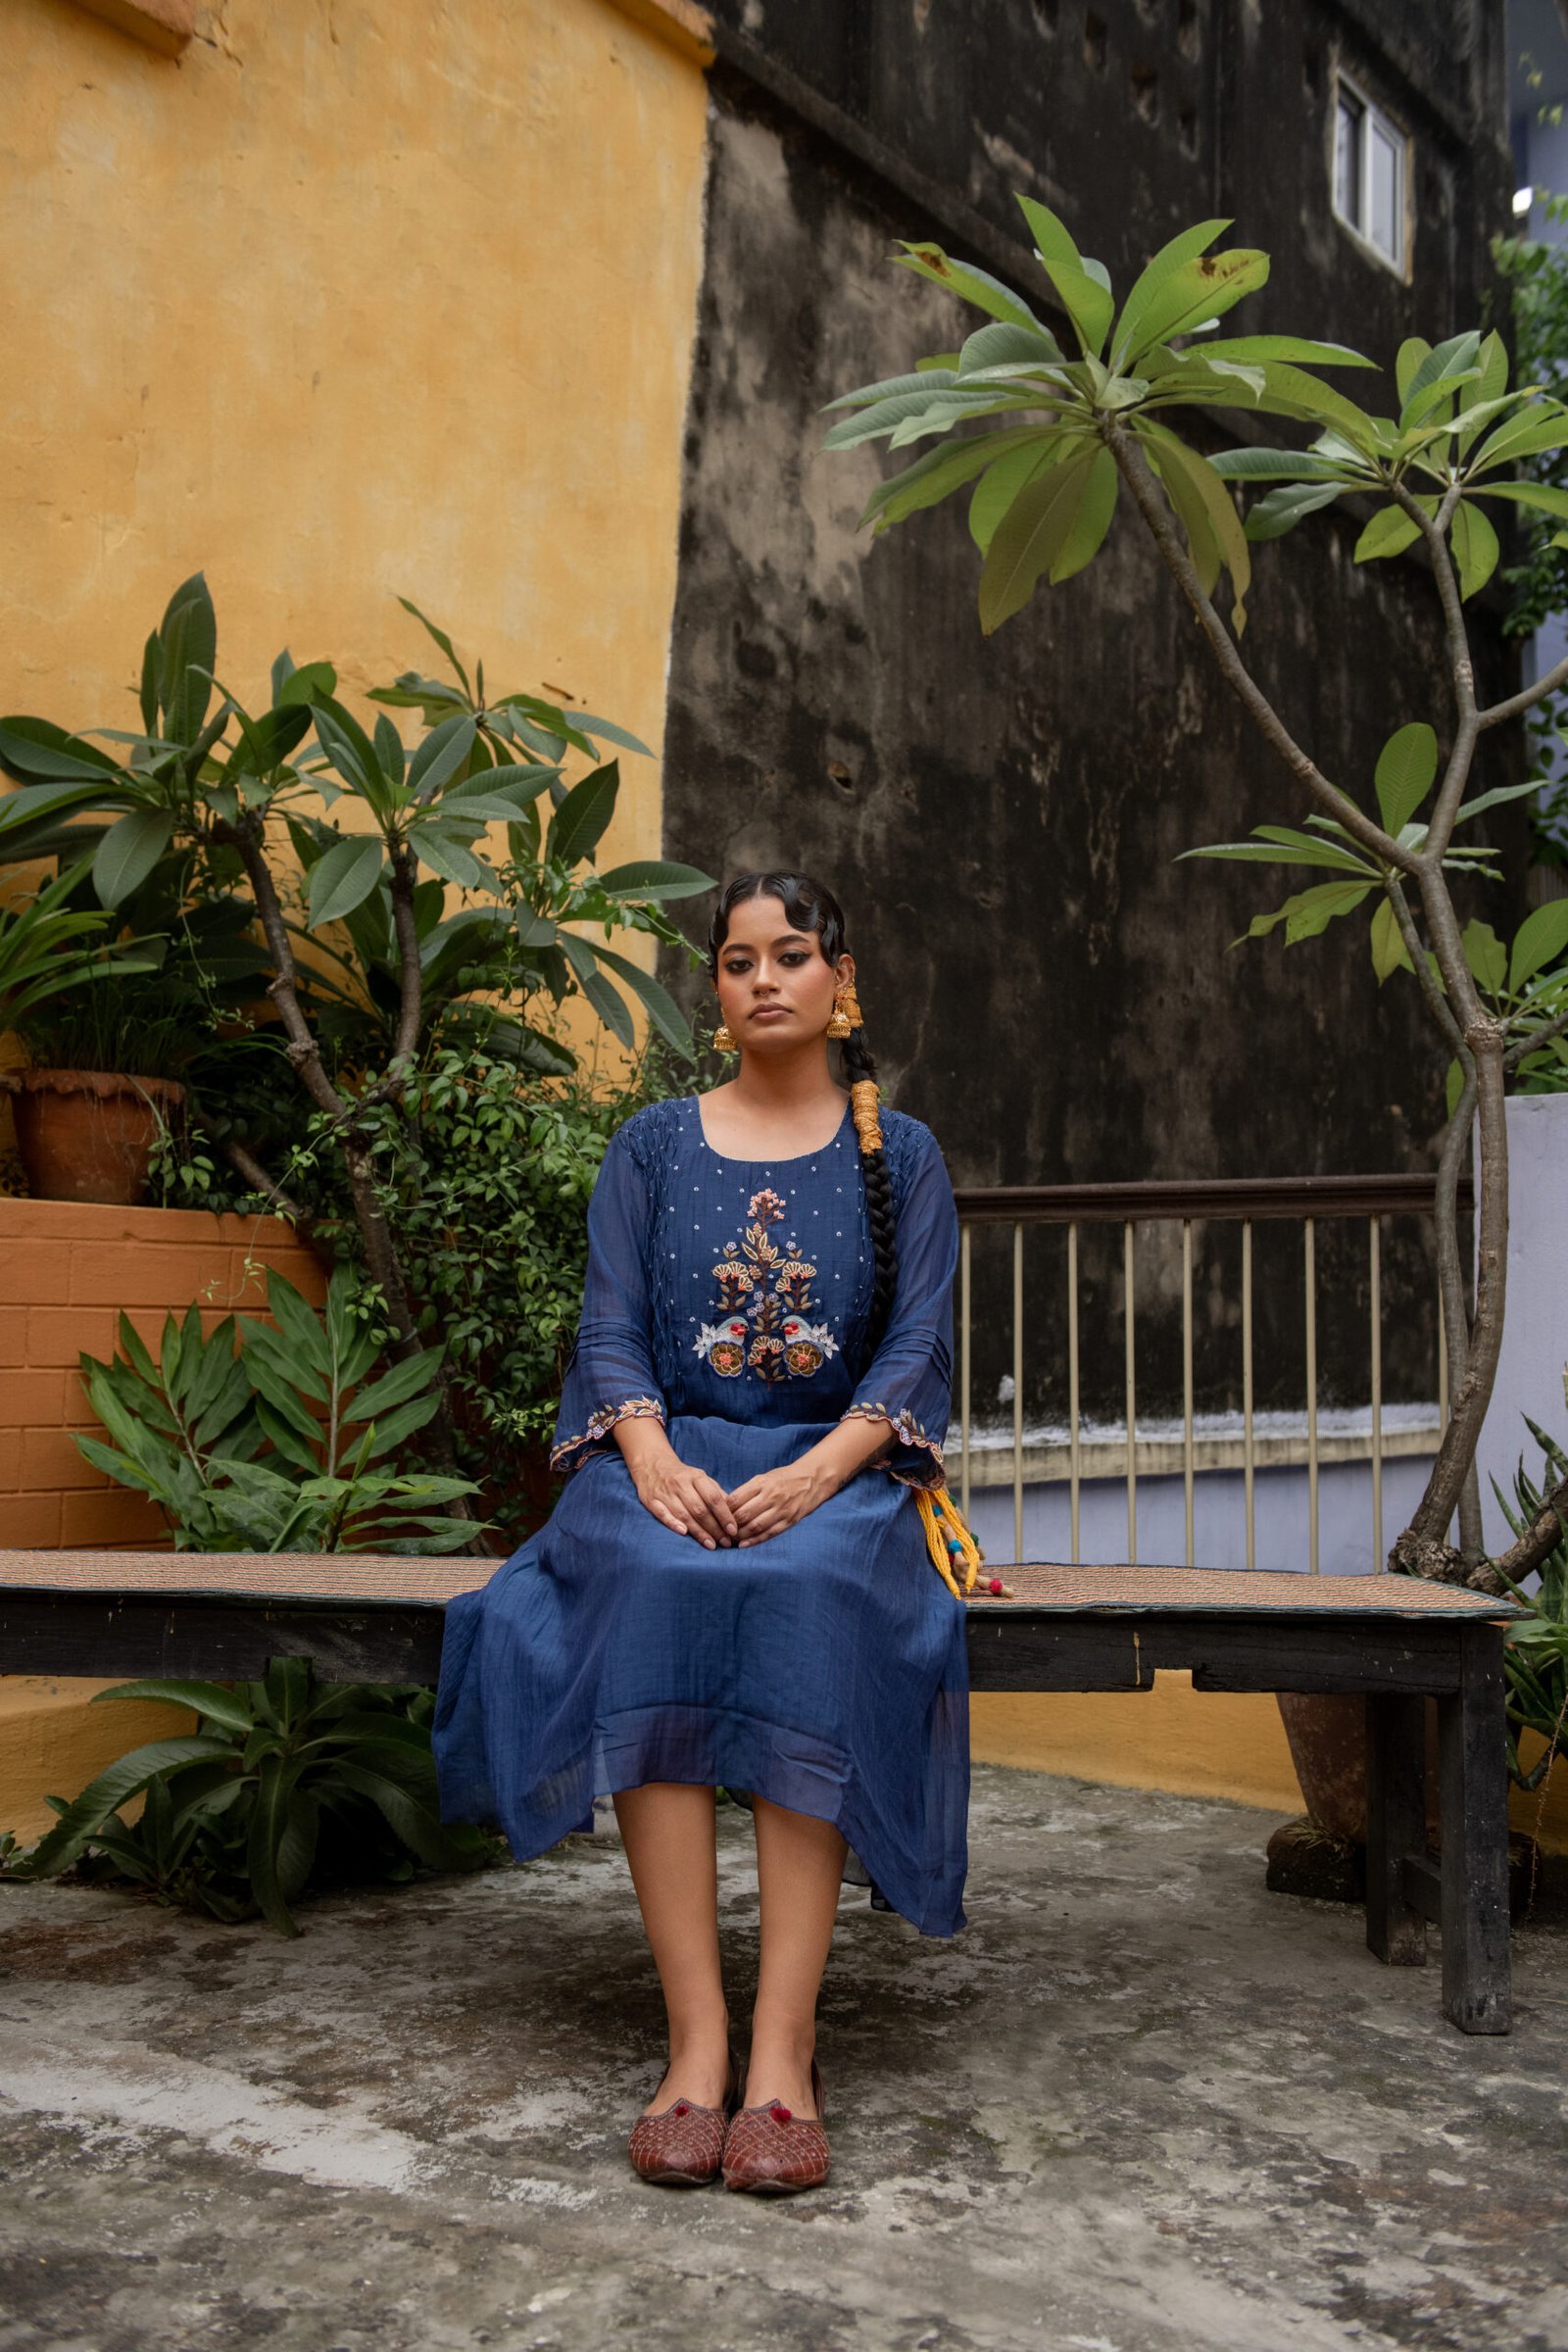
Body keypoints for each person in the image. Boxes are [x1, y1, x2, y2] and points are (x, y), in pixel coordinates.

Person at [433, 871, 979, 2195]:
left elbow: (917, 1344)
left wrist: (820, 1473)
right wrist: (652, 1456)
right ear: (717, 989)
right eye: (739, 961)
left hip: (835, 1476)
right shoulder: (652, 1147)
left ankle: (783, 2053)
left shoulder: (903, 1156)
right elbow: (609, 1325)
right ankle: (696, 2045)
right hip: (665, 1463)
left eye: (792, 954)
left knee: (810, 1590)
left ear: (842, 977)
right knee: (650, 1579)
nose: (765, 980)